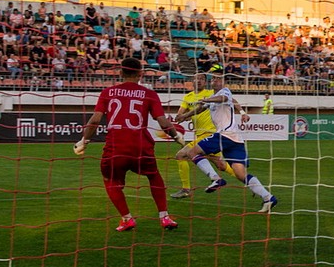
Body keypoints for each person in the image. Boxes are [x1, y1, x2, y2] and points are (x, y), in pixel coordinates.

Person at [74, 57, 184, 232]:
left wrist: (84, 141)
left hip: (116, 147)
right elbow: (163, 121)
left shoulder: (108, 92)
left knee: (110, 180)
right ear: (141, 74)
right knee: (154, 176)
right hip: (141, 146)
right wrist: (177, 137)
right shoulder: (149, 94)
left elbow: (95, 119)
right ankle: (164, 217)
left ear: (120, 73)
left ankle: (127, 218)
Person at [176, 74, 278, 213]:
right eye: (213, 79)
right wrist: (184, 116)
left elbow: (223, 99)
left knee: (191, 152)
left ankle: (216, 179)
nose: (215, 81)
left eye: (218, 78)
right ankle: (269, 198)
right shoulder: (213, 97)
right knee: (240, 174)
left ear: (223, 81)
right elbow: (200, 109)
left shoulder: (224, 92)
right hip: (234, 140)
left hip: (224, 135)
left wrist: (207, 99)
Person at [169, 75, 231, 199]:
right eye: (196, 78)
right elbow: (180, 114)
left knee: (181, 155)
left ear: (205, 82)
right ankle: (249, 180)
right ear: (192, 81)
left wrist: (242, 111)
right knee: (221, 165)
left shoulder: (211, 93)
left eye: (202, 79)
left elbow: (227, 99)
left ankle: (186, 189)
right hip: (200, 135)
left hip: (210, 133)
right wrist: (181, 117)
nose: (199, 81)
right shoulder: (188, 97)